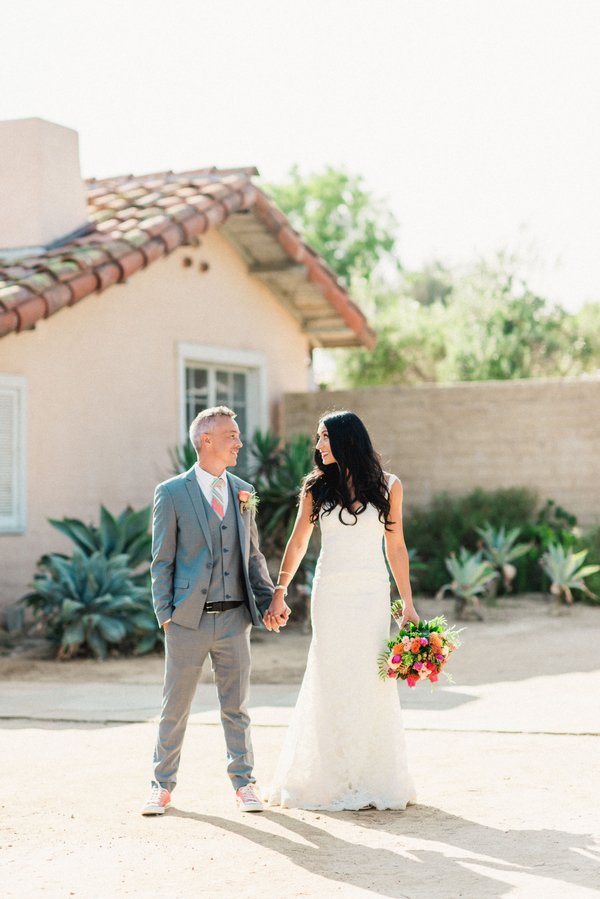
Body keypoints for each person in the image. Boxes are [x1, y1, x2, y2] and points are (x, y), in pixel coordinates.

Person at [266, 410, 418, 811]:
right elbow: (298, 542)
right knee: (330, 673)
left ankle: (371, 776)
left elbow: (396, 547)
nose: (318, 446)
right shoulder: (316, 488)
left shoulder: (389, 486)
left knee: (372, 676)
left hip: (371, 595)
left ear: (346, 439)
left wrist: (407, 605)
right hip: (330, 595)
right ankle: (329, 778)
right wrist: (280, 589)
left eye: (323, 438)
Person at [141, 406, 290, 816]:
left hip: (234, 619)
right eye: (232, 435)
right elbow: (161, 562)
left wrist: (266, 604)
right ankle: (161, 785)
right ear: (206, 440)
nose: (239, 442)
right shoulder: (171, 493)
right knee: (175, 707)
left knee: (236, 707)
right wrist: (166, 616)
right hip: (187, 620)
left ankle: (245, 784)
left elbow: (253, 556)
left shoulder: (243, 490)